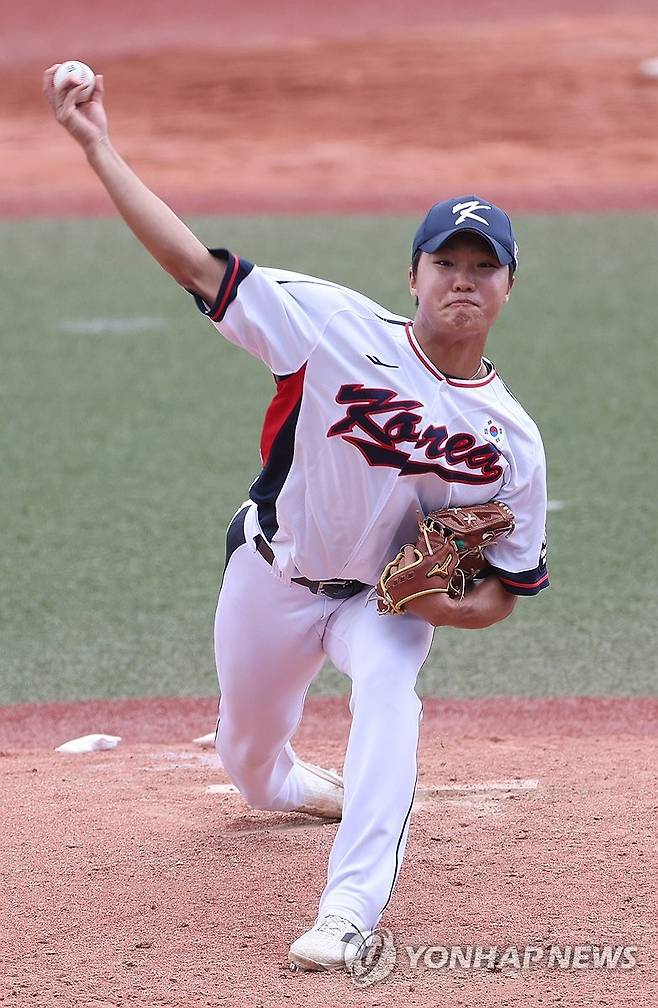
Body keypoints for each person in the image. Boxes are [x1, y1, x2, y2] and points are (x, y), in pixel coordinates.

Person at [44, 66, 549, 973]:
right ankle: (300, 787)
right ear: (415, 273)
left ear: (510, 286)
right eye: (448, 263)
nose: (463, 281)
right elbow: (197, 266)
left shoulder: (510, 439)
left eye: (485, 268)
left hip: (380, 607)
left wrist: (436, 608)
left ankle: (349, 910)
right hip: (272, 575)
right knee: (249, 765)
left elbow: (507, 586)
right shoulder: (328, 327)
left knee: (392, 695)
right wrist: (97, 146)